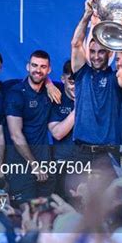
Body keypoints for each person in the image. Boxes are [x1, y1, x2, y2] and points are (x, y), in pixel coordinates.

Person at [70, 0, 122, 164]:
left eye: (101, 52)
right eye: (92, 51)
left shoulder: (114, 79)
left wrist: (118, 37)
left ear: (110, 52)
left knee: (111, 192)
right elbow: (76, 44)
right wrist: (86, 15)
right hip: (81, 152)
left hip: (108, 153)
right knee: (79, 192)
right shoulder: (82, 73)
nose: (96, 56)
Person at [5, 50, 55, 203]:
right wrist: (35, 165)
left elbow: (70, 84)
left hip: (45, 165)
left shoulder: (51, 91)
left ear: (49, 70)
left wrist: (50, 84)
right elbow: (15, 135)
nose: (38, 70)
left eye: (42, 66)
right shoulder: (16, 93)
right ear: (28, 66)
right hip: (22, 167)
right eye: (34, 65)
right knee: (25, 216)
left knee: (47, 216)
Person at [48, 60, 76, 198]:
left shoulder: (95, 96)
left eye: (80, 81)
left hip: (89, 163)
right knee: (64, 209)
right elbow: (57, 133)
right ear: (63, 78)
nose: (76, 86)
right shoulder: (56, 97)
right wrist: (79, 107)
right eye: (71, 81)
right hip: (63, 164)